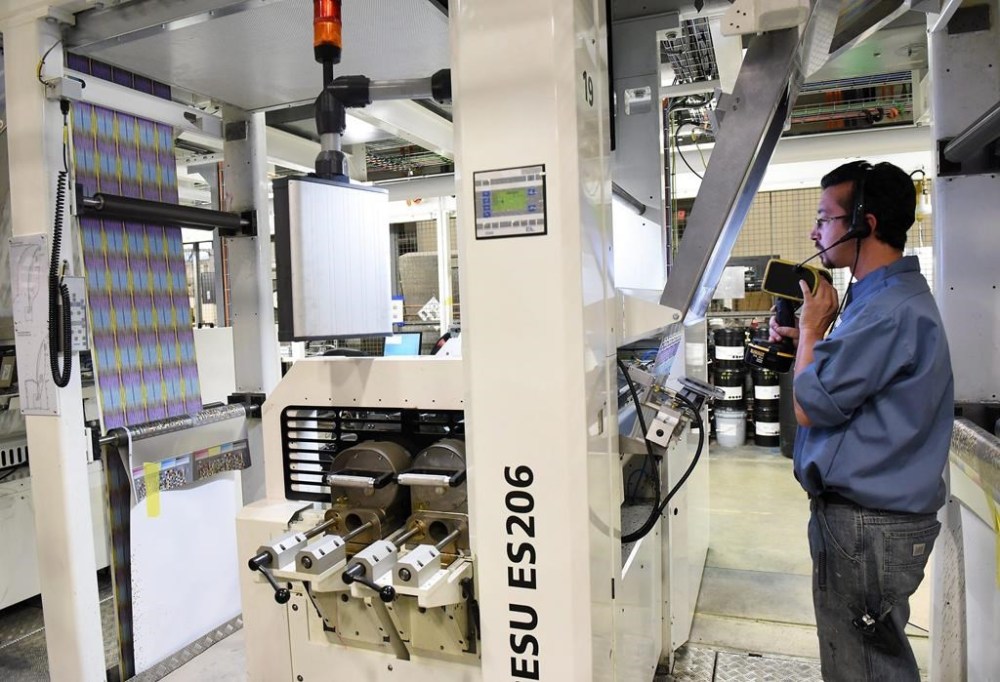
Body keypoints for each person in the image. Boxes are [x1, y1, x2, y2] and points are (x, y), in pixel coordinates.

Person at [769, 160, 953, 681]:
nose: (815, 232)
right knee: (864, 662)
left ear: (863, 224)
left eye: (824, 218)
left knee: (864, 670)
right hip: (868, 523)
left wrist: (811, 332)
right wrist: (810, 343)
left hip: (868, 529)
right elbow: (848, 382)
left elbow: (809, 406)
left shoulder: (886, 311)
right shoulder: (881, 299)